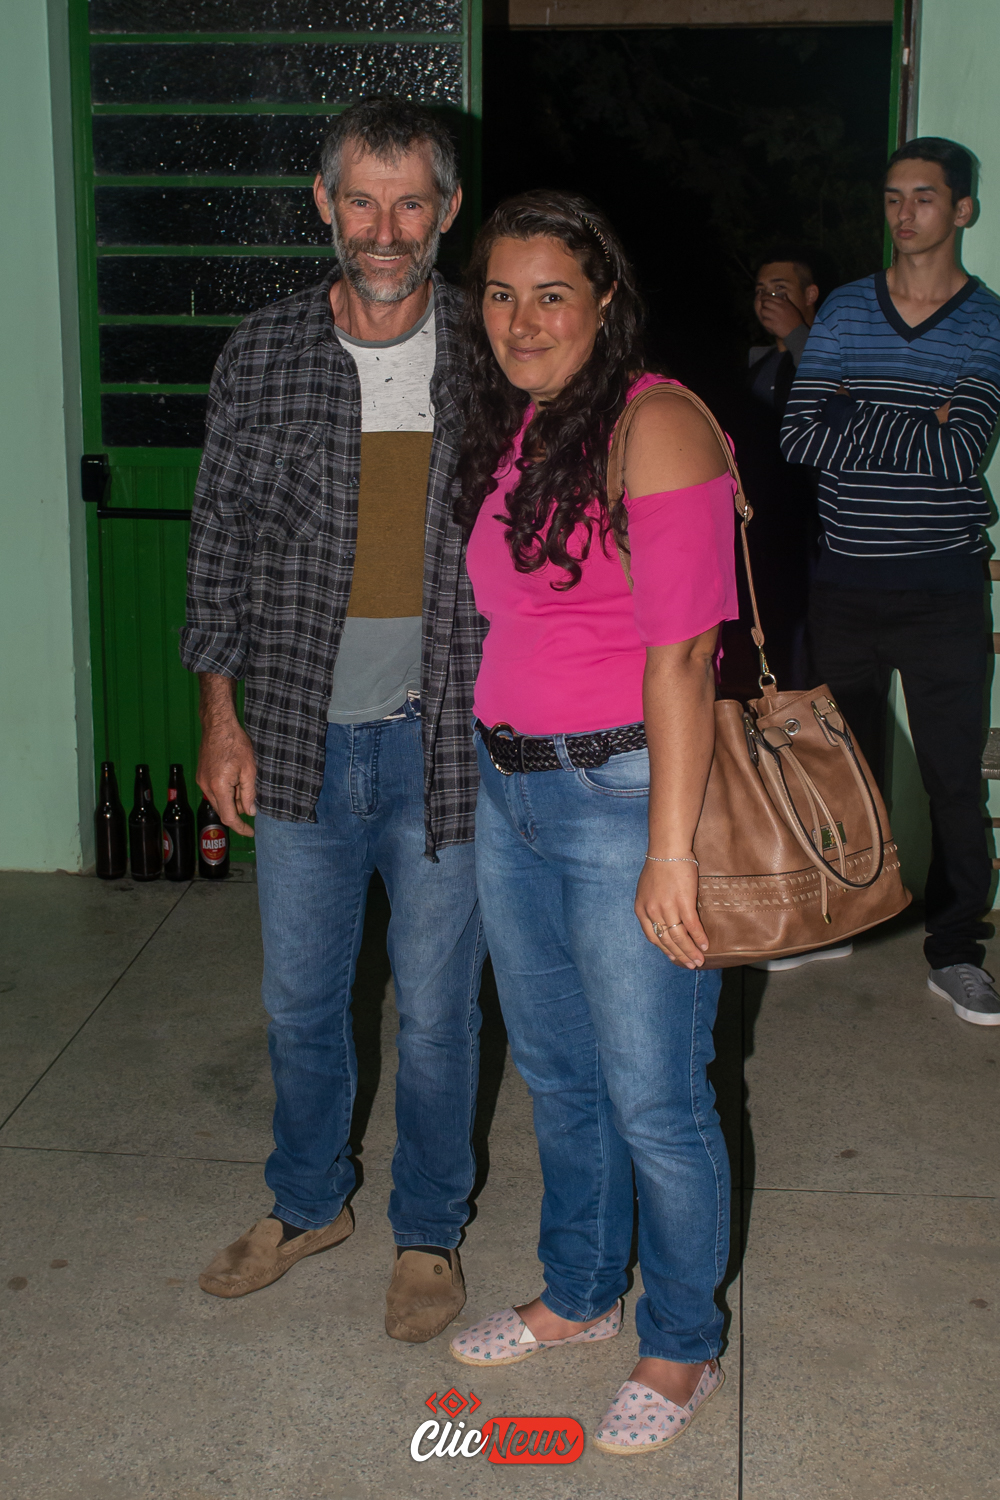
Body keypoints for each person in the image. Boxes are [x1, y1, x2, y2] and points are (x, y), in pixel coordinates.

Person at [180, 96, 488, 1339]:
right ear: (323, 202)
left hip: (445, 746)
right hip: (300, 737)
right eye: (361, 200)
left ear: (447, 210)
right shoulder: (260, 353)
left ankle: (427, 1231)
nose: (384, 229)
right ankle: (308, 1203)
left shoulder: (491, 353)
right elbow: (219, 545)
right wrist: (221, 716)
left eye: (410, 203)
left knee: (439, 1014)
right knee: (301, 1004)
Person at [447, 191, 736, 1455]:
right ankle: (577, 1292)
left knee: (655, 1096)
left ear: (604, 302)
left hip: (622, 797)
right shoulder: (524, 425)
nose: (522, 320)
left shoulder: (655, 423)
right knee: (559, 1074)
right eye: (500, 295)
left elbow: (685, 656)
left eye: (551, 294)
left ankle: (680, 1341)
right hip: (511, 789)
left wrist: (670, 854)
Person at [781, 136, 1000, 1027]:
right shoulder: (842, 310)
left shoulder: (987, 323)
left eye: (925, 197)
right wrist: (916, 420)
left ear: (962, 210)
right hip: (845, 582)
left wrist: (854, 413)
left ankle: (956, 950)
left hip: (944, 587)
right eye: (893, 196)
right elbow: (800, 436)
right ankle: (839, 917)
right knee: (838, 768)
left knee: (952, 778)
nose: (904, 213)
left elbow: (963, 451)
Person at [749, 249, 820, 417]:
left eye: (779, 288)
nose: (766, 298)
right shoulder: (757, 363)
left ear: (810, 295)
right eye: (761, 290)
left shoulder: (839, 351)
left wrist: (795, 333)